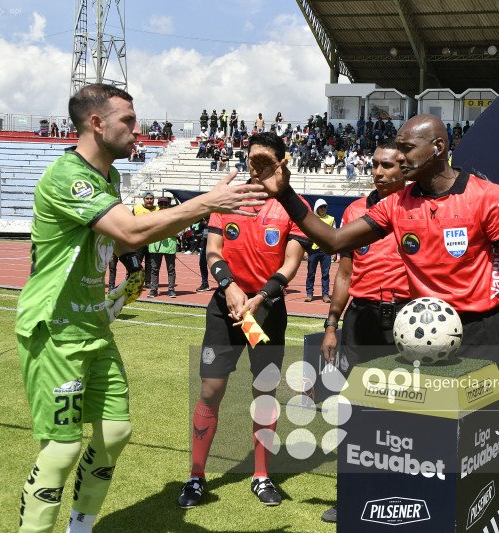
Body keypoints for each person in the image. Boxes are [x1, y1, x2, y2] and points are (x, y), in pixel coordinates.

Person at [252, 113, 499, 533]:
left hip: (481, 331)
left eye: (408, 148)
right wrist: (285, 194)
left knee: (485, 439)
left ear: (438, 149)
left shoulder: (485, 196)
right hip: (421, 336)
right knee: (428, 431)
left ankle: (496, 519)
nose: (400, 156)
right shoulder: (396, 203)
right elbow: (334, 240)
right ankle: (441, 514)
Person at [15, 83, 264, 533]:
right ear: (97, 123)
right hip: (55, 329)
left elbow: (118, 238)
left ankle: (80, 527)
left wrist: (128, 270)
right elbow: (129, 232)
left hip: (93, 329)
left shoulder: (106, 179)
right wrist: (207, 202)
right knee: (63, 449)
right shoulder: (67, 176)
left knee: (114, 433)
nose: (138, 130)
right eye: (128, 121)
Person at [177, 132, 311, 509]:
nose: (255, 164)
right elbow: (213, 251)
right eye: (251, 157)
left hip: (266, 311)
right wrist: (230, 288)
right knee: (210, 391)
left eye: (265, 159)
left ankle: (262, 475)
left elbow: (291, 262)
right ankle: (196, 476)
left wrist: (260, 297)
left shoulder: (294, 207)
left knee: (264, 392)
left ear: (282, 162)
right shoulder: (230, 200)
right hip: (227, 307)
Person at [319, 138, 411, 524]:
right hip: (362, 316)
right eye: (375, 164)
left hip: (409, 319)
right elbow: (344, 273)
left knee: (407, 409)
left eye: (387, 166)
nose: (377, 171)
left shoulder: (419, 206)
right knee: (357, 408)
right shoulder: (357, 210)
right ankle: (353, 492)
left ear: (405, 169)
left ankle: (405, 491)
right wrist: (331, 323)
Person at [147, 197, 178, 298]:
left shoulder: (175, 216)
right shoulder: (153, 216)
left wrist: (170, 230)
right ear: (158, 205)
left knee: (171, 269)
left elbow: (181, 231)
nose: (163, 206)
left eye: (165, 204)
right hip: (155, 246)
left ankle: (171, 290)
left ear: (169, 204)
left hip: (170, 247)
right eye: (161, 204)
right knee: (154, 269)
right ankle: (153, 289)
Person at [305, 199, 335, 303]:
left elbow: (334, 235)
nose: (323, 209)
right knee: (311, 273)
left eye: (325, 207)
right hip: (313, 250)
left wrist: (334, 251)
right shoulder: (311, 218)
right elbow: (306, 235)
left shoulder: (331, 219)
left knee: (325, 273)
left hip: (326, 250)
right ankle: (309, 294)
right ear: (316, 208)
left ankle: (325, 295)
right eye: (321, 207)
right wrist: (305, 251)